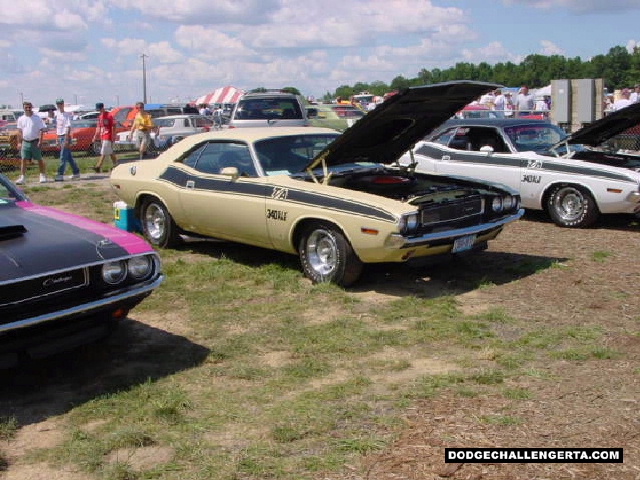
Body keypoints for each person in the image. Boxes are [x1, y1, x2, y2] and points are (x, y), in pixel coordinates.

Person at [15, 101, 49, 185]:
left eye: (29, 107)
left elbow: (42, 130)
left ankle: (42, 175)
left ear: (32, 107)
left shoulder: (37, 118)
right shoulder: (21, 119)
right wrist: (19, 143)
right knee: (23, 159)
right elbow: (19, 131)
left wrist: (40, 141)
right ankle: (23, 177)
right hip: (25, 142)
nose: (28, 109)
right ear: (24, 108)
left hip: (35, 141)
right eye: (26, 107)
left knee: (39, 159)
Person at [54, 98, 81, 181]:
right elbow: (58, 128)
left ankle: (60, 174)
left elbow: (68, 127)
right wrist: (57, 139)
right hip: (60, 136)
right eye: (58, 104)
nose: (59, 105)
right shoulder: (57, 114)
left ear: (63, 104)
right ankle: (76, 172)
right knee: (68, 157)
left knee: (63, 157)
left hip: (65, 137)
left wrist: (66, 139)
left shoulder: (67, 114)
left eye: (61, 103)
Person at [92, 102, 118, 172]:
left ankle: (98, 166)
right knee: (110, 151)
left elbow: (114, 125)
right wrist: (95, 136)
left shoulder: (109, 115)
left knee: (103, 151)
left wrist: (113, 135)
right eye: (98, 109)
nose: (99, 111)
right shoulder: (100, 117)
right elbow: (98, 127)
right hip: (102, 136)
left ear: (103, 108)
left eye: (100, 109)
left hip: (108, 135)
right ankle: (116, 165)